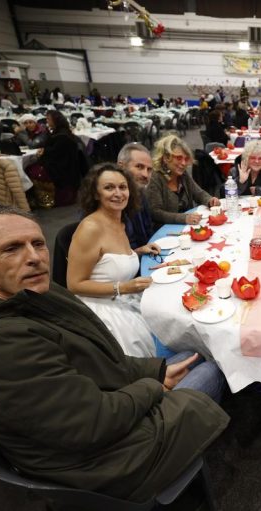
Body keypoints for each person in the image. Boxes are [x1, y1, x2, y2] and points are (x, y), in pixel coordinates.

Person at [0, 207, 229, 502]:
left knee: (190, 354)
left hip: (89, 421)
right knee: (214, 368)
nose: (34, 257)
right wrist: (154, 386)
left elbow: (96, 364)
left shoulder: (21, 297)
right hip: (107, 463)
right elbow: (94, 424)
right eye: (12, 248)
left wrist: (154, 371)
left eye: (38, 243)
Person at [67, 163, 168, 357]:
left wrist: (137, 251)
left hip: (124, 297)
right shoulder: (90, 228)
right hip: (102, 310)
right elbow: (74, 284)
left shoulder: (119, 220)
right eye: (109, 187)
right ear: (96, 194)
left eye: (123, 187)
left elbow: (108, 259)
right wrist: (123, 288)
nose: (118, 193)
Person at [146, 135, 220, 229]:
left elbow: (198, 193)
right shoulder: (155, 178)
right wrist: (184, 218)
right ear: (165, 158)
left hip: (187, 228)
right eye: (179, 158)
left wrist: (210, 200)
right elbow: (155, 213)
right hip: (165, 231)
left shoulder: (183, 175)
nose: (184, 163)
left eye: (186, 159)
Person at [28, 110, 87, 207]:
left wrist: (43, 153)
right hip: (66, 168)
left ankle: (45, 199)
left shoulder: (61, 136)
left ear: (55, 121)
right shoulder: (62, 132)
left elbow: (55, 154)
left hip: (61, 169)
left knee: (30, 170)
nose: (47, 122)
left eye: (48, 120)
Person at [117, 143, 155, 248]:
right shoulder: (111, 201)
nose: (145, 175)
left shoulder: (140, 193)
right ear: (121, 166)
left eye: (149, 169)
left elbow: (148, 230)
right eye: (139, 167)